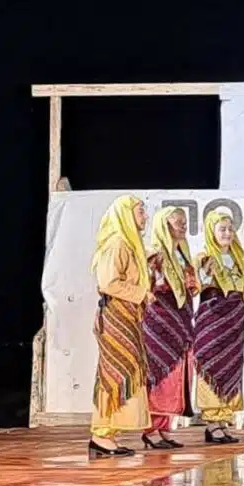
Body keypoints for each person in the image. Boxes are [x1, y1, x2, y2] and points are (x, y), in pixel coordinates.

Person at [88, 195, 152, 457]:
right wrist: (141, 293)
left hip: (127, 315)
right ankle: (101, 435)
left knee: (124, 370)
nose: (145, 216)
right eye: (140, 211)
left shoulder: (129, 243)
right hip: (116, 315)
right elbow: (108, 283)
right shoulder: (117, 243)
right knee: (116, 372)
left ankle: (107, 433)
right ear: (126, 214)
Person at [140, 207, 199, 449]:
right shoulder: (154, 255)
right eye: (178, 222)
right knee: (159, 373)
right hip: (160, 321)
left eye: (184, 222)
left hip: (180, 320)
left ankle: (164, 427)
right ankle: (150, 429)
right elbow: (148, 286)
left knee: (175, 376)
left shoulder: (182, 254)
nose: (183, 226)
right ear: (164, 226)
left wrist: (193, 283)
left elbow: (190, 286)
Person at [193, 210, 244, 444]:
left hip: (234, 323)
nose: (227, 233)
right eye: (222, 229)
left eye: (230, 229)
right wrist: (204, 273)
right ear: (211, 232)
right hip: (213, 321)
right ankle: (211, 422)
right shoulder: (204, 257)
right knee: (212, 365)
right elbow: (198, 286)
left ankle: (223, 419)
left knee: (230, 367)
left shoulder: (238, 258)